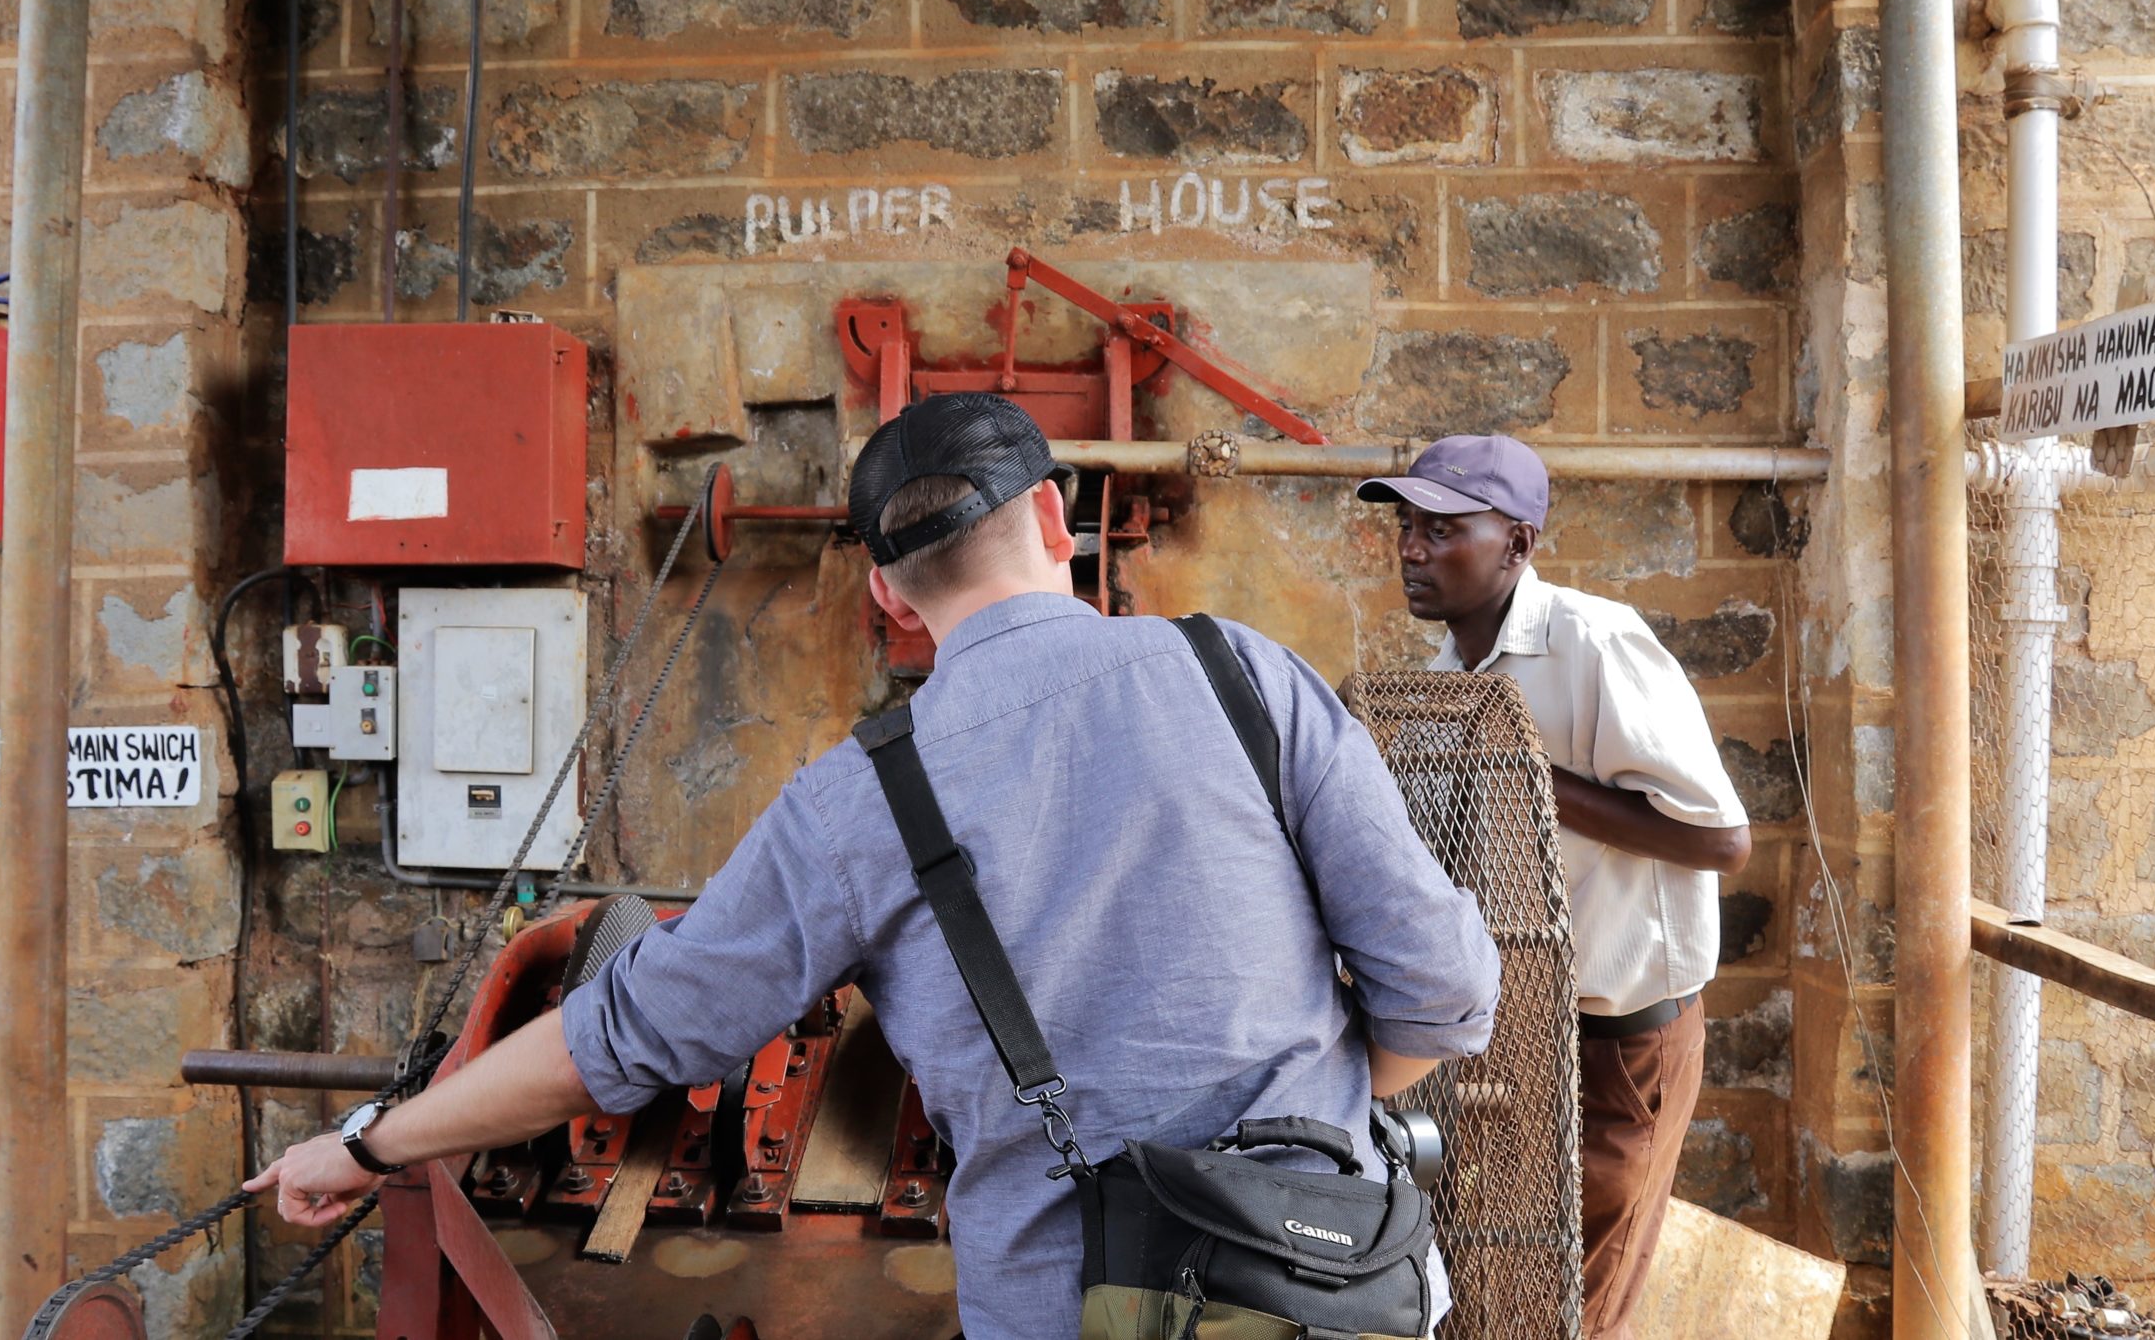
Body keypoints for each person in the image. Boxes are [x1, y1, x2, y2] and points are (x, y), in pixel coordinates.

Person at [255, 392, 1502, 1340]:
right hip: (1332, 1291)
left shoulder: (856, 799)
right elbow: (1446, 985)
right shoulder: (1242, 676)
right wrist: (1322, 1104)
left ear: (890, 596)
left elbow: (626, 1037)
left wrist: (369, 1144)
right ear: (1055, 521)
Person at [1357, 434, 1753, 1340]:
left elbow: (1721, 841)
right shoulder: (1445, 680)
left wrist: (1525, 767)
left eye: (1445, 528)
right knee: (1492, 1289)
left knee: (1579, 1304)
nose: (1413, 549)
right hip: (1512, 1047)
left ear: (1519, 544)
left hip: (1622, 1044)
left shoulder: (1592, 641)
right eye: (1408, 526)